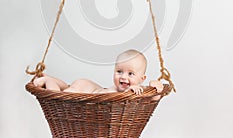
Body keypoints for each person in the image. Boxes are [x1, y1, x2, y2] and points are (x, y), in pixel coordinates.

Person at [33, 49, 163, 98]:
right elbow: (124, 95)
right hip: (88, 89)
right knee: (62, 96)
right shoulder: (128, 91)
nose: (123, 77)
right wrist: (129, 90)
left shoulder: (139, 91)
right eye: (119, 71)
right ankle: (49, 82)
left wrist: (155, 86)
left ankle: (50, 79)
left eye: (130, 74)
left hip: (89, 89)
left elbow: (153, 97)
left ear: (142, 78)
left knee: (67, 88)